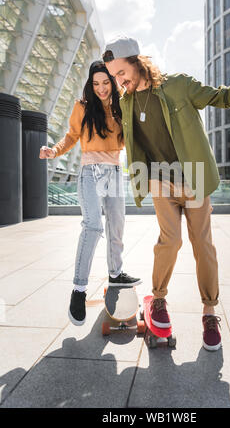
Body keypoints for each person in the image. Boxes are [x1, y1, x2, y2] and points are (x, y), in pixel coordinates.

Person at [103, 35, 230, 351]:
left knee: (202, 244)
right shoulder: (125, 102)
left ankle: (209, 311)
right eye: (114, 76)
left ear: (137, 62)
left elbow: (221, 96)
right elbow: (121, 136)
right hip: (159, 181)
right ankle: (159, 300)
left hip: (193, 177)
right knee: (171, 240)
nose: (119, 80)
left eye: (121, 72)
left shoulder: (178, 85)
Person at [39, 61, 142, 326]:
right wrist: (54, 151)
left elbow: (134, 136)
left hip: (115, 171)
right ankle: (79, 289)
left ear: (113, 82)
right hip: (91, 171)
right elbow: (72, 136)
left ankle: (116, 274)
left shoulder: (122, 106)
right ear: (90, 84)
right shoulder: (83, 106)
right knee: (93, 227)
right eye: (95, 84)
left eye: (105, 82)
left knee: (117, 225)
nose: (101, 88)